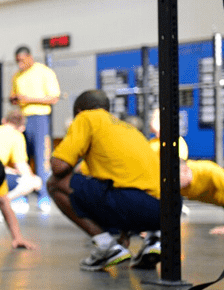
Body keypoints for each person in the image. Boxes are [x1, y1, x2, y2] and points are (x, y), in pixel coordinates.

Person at [47, 89, 161, 271]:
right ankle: (153, 240)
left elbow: (58, 167)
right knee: (103, 188)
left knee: (54, 184)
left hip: (134, 203)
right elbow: (127, 181)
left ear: (78, 112)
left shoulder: (86, 118)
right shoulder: (127, 128)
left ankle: (106, 246)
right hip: (164, 212)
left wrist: (62, 153)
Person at [10, 45, 60, 214]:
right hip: (23, 120)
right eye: (17, 61)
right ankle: (21, 196)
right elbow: (16, 96)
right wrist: (15, 99)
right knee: (22, 158)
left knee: (41, 158)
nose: (20, 64)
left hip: (39, 119)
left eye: (22, 60)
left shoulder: (45, 72)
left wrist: (29, 99)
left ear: (30, 57)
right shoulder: (17, 76)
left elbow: (54, 98)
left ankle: (43, 196)